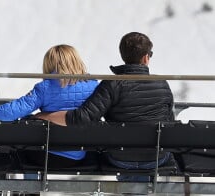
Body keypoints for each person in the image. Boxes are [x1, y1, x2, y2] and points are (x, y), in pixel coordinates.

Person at [38, 32, 174, 177]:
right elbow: (169, 122)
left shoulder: (111, 84)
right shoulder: (162, 84)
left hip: (119, 158)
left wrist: (43, 116)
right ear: (146, 58)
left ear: (123, 56)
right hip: (157, 159)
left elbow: (83, 117)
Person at [0, 44, 98, 168]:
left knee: (15, 148)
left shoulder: (45, 88)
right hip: (79, 157)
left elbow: (10, 112)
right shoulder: (94, 86)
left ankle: (13, 185)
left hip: (45, 156)